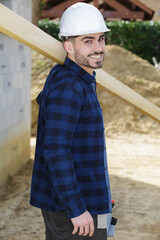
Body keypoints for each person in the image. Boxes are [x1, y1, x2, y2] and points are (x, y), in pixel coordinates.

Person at [30, 2, 112, 239]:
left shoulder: (81, 79)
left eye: (101, 39)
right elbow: (56, 150)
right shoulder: (69, 86)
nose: (98, 48)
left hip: (91, 200)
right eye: (88, 41)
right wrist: (76, 209)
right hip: (74, 211)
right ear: (69, 46)